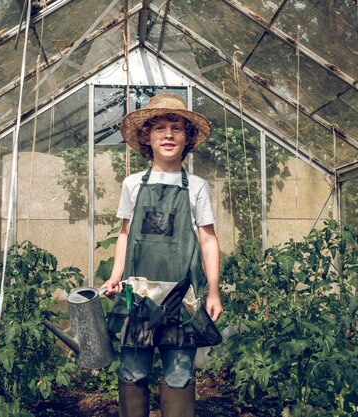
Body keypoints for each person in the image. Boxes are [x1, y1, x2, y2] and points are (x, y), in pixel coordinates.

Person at [103, 93, 223, 417]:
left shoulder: (196, 187)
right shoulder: (132, 184)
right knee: (133, 371)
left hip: (182, 299)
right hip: (138, 298)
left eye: (176, 128)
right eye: (159, 128)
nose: (168, 135)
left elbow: (209, 240)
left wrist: (213, 291)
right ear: (146, 137)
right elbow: (126, 235)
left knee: (179, 373)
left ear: (188, 137)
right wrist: (115, 276)